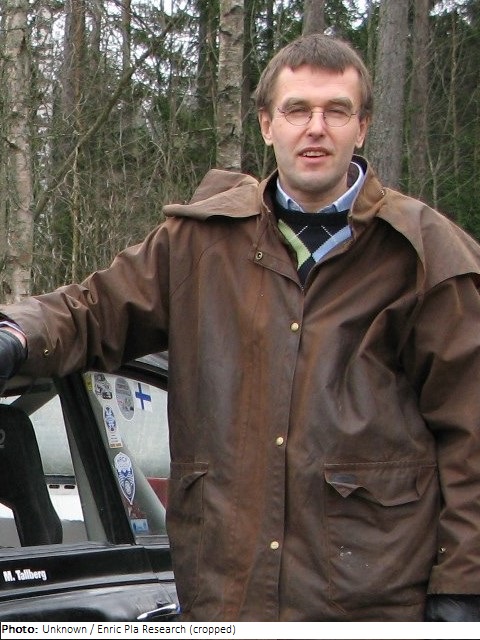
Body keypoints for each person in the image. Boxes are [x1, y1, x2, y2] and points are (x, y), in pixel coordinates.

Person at [0, 33, 480, 623]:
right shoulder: (200, 244)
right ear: (266, 124)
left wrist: (464, 590)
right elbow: (92, 310)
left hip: (370, 608)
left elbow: (472, 433)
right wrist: (16, 336)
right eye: (297, 110)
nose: (316, 128)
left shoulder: (426, 256)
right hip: (228, 600)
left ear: (362, 127)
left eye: (336, 111)